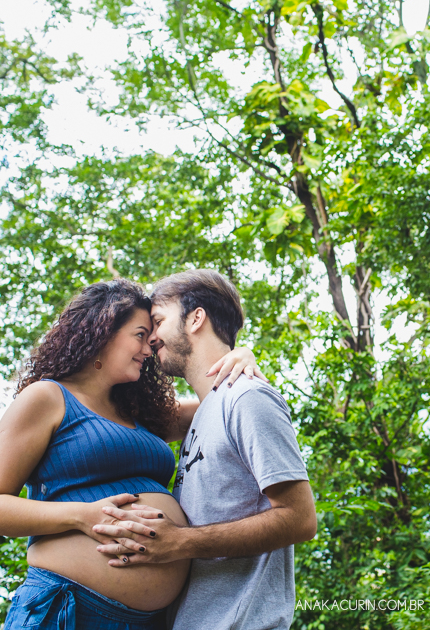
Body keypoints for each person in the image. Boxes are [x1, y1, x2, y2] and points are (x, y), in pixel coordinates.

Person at [0, 279, 261, 629]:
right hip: (67, 609)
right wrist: (82, 517)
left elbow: (223, 403)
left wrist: (238, 354)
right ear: (102, 331)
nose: (149, 348)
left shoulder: (143, 413)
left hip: (150, 621)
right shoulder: (47, 398)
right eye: (140, 335)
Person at [91, 269, 317, 630]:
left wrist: (178, 542)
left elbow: (300, 519)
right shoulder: (205, 410)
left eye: (159, 322)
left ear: (196, 318)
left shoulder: (246, 397)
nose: (150, 341)